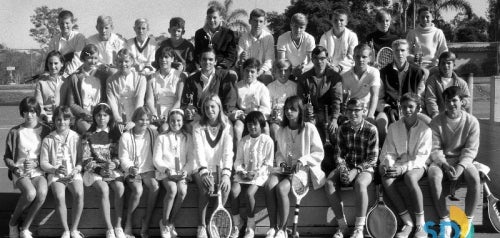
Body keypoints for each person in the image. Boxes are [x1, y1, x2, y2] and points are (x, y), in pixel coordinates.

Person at [265, 96, 325, 238]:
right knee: (269, 185)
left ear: (300, 111)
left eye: (293, 109)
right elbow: (279, 153)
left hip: (302, 171)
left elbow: (319, 153)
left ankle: (283, 229)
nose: (289, 112)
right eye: (286, 109)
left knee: (280, 188)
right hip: (285, 170)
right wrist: (281, 163)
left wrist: (302, 160)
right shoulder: (281, 130)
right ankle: (273, 227)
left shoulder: (309, 128)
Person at [427, 86, 481, 238]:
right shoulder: (436, 122)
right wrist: (444, 165)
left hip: (463, 160)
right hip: (442, 160)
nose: (451, 104)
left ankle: (467, 222)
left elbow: (470, 150)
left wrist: (460, 167)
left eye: (455, 100)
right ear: (443, 102)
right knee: (433, 176)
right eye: (448, 101)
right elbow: (435, 148)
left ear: (462, 102)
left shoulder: (472, 122)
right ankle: (445, 222)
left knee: (475, 178)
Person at [324, 98, 378, 238]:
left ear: (363, 112)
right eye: (350, 110)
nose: (353, 114)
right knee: (329, 183)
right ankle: (342, 226)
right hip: (347, 165)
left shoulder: (371, 129)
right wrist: (343, 169)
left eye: (357, 110)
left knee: (360, 184)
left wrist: (356, 170)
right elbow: (339, 154)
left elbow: (372, 159)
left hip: (365, 168)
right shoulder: (343, 128)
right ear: (346, 112)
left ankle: (359, 228)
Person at [379, 93, 431, 238]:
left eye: (411, 107)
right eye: (404, 107)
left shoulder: (425, 129)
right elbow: (388, 152)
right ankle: (408, 223)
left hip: (418, 165)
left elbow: (422, 157)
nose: (407, 110)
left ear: (418, 108)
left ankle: (421, 225)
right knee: (386, 179)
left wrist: (403, 168)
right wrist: (387, 164)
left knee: (410, 177)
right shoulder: (394, 127)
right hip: (399, 164)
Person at [4, 97, 50, 238]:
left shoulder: (46, 130)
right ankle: (13, 223)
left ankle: (25, 228)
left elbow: (51, 154)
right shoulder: (14, 132)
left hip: (38, 171)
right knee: (30, 194)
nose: (29, 115)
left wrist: (36, 163)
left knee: (41, 193)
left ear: (37, 112)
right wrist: (15, 168)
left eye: (32, 111)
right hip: (20, 171)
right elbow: (7, 157)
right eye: (25, 112)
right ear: (22, 113)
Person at [192, 94, 234, 238]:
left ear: (219, 107)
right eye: (207, 107)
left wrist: (226, 175)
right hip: (200, 167)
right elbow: (198, 152)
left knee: (225, 188)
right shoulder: (198, 127)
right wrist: (204, 173)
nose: (210, 110)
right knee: (205, 189)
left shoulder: (227, 126)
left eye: (213, 106)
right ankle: (202, 226)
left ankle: (213, 222)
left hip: (220, 168)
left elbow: (228, 152)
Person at [81, 103, 125, 238]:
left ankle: (118, 226)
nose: (101, 118)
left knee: (120, 188)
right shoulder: (88, 135)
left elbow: (120, 155)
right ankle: (109, 228)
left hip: (111, 169)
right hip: (95, 171)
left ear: (110, 117)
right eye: (98, 115)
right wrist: (99, 169)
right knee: (104, 189)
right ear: (94, 117)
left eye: (105, 115)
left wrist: (114, 164)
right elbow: (85, 159)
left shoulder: (115, 134)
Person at [40, 106, 84, 238]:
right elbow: (43, 162)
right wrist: (55, 169)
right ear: (54, 121)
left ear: (71, 120)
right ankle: (65, 230)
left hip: (73, 173)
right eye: (58, 119)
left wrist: (77, 169)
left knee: (79, 194)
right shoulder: (48, 139)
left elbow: (81, 159)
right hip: (56, 174)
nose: (62, 122)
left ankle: (74, 229)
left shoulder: (76, 137)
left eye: (65, 119)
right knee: (60, 197)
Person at [230, 111, 274, 238]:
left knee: (249, 193)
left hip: (260, 174)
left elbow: (268, 163)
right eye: (249, 125)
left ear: (261, 125)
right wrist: (241, 171)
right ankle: (237, 223)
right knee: (234, 191)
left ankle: (250, 224)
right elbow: (238, 160)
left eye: (255, 124)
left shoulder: (268, 141)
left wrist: (256, 173)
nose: (252, 127)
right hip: (243, 173)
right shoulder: (244, 141)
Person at [119, 107, 159, 238]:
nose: (145, 122)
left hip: (148, 170)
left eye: (147, 119)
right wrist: (130, 168)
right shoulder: (125, 136)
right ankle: (128, 223)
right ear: (135, 120)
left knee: (155, 187)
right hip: (132, 171)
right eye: (141, 119)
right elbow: (123, 158)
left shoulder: (153, 133)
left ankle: (146, 222)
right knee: (138, 190)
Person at [153, 109, 195, 238]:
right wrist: (166, 169)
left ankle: (171, 222)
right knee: (172, 189)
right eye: (172, 121)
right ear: (168, 121)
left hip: (181, 173)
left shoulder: (188, 138)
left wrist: (185, 171)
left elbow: (191, 159)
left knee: (182, 191)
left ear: (182, 122)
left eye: (178, 121)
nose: (175, 123)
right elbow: (156, 159)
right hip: (166, 172)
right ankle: (164, 223)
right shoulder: (161, 137)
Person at [378, 39, 429, 141]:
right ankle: (383, 152)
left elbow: (420, 97)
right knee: (380, 123)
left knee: (429, 122)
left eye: (402, 50)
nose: (399, 53)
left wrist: (411, 110)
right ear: (392, 53)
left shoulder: (418, 72)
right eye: (396, 50)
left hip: (413, 110)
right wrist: (388, 109)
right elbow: (379, 98)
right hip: (390, 110)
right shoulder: (383, 73)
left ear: (408, 52)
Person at [297, 45, 342, 142]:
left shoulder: (335, 77)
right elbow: (300, 100)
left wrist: (334, 119)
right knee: (308, 130)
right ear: (312, 60)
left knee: (334, 132)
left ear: (327, 59)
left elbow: (336, 100)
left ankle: (335, 156)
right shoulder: (303, 78)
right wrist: (306, 109)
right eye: (316, 58)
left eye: (322, 58)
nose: (319, 62)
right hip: (312, 115)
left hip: (329, 114)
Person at [181, 47, 238, 121]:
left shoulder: (225, 76)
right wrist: (191, 111)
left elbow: (230, 100)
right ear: (200, 61)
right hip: (198, 117)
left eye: (210, 59)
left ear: (215, 61)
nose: (207, 62)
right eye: (204, 59)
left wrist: (221, 116)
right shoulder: (191, 79)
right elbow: (186, 102)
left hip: (220, 116)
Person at [67, 44, 113, 134]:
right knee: (90, 131)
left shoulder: (103, 75)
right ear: (83, 59)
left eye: (96, 58)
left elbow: (114, 73)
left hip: (101, 115)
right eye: (90, 58)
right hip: (83, 117)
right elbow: (71, 104)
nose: (93, 61)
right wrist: (84, 114)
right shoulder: (75, 78)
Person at [341, 44, 381, 137]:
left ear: (370, 58)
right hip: (352, 111)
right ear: (353, 57)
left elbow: (375, 95)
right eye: (357, 56)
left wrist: (370, 115)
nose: (360, 59)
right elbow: (344, 98)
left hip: (368, 111)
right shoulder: (345, 75)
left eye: (364, 57)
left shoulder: (374, 72)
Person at [107, 48, 147, 131]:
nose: (123, 64)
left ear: (132, 61)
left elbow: (140, 99)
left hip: (136, 114)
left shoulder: (141, 78)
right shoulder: (110, 80)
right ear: (116, 62)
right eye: (120, 61)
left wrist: (134, 120)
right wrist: (118, 119)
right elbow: (112, 101)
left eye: (126, 61)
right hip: (118, 115)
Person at [233, 58, 271, 144]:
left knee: (265, 128)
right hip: (243, 116)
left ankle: (267, 153)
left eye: (252, 72)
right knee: (237, 128)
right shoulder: (237, 87)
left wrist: (257, 117)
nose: (249, 74)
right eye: (247, 71)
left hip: (257, 115)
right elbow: (233, 106)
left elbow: (266, 108)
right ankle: (238, 155)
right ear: (243, 71)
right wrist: (239, 114)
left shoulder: (262, 87)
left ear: (257, 73)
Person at [424, 51, 471, 119]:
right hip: (439, 117)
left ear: (454, 65)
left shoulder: (461, 83)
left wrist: (463, 102)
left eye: (449, 63)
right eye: (443, 63)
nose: (446, 66)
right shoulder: (432, 81)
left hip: (458, 118)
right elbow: (430, 99)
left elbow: (467, 99)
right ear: (439, 65)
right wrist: (435, 115)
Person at [237, 8, 275, 85]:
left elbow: (269, 61)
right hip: (247, 70)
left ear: (264, 23)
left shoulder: (269, 37)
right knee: (238, 75)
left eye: (261, 21)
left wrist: (258, 73)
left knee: (268, 77)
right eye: (255, 21)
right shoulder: (243, 37)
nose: (258, 24)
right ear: (250, 21)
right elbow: (239, 60)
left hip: (262, 70)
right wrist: (240, 59)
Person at [145, 47, 184, 121]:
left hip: (174, 112)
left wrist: (169, 115)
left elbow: (178, 101)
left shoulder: (180, 76)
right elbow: (149, 100)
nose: (163, 60)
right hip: (155, 112)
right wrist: (154, 114)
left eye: (166, 57)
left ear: (172, 59)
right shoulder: (151, 77)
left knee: (164, 128)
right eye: (161, 57)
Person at [194, 5, 237, 69]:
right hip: (204, 67)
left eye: (214, 17)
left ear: (220, 18)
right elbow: (197, 54)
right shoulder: (199, 33)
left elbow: (231, 56)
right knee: (191, 77)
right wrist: (202, 66)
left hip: (222, 68)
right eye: (209, 17)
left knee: (233, 76)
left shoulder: (229, 34)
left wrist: (222, 66)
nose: (212, 20)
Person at [319, 8, 358, 73]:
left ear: (346, 22)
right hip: (328, 69)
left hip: (347, 70)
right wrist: (329, 66)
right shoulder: (325, 37)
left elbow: (352, 56)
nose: (338, 22)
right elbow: (321, 56)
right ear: (331, 21)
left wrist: (338, 68)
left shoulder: (352, 36)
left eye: (341, 20)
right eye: (335, 20)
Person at [48, 10, 86, 77]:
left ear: (72, 23)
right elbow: (51, 60)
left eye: (67, 23)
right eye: (62, 23)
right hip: (59, 73)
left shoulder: (79, 37)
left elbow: (78, 60)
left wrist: (65, 74)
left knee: (74, 78)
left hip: (78, 72)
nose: (64, 26)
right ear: (59, 23)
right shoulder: (53, 41)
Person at [277, 13, 315, 77]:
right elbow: (281, 60)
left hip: (304, 70)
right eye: (295, 26)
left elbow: (311, 61)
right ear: (291, 25)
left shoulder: (310, 38)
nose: (298, 30)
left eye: (301, 27)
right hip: (287, 71)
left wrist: (305, 68)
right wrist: (291, 71)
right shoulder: (282, 38)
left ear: (305, 27)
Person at [267, 59, 297, 140]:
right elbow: (268, 105)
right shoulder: (270, 87)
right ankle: (277, 151)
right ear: (275, 72)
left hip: (291, 117)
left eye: (286, 70)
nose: (283, 73)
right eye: (280, 71)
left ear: (290, 72)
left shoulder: (294, 86)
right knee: (274, 129)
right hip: (277, 119)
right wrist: (272, 114)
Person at [35, 50, 66, 125]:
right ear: (47, 65)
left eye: (56, 63)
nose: (53, 66)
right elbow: (39, 105)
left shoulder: (67, 81)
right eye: (50, 63)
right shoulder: (41, 83)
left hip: (64, 119)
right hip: (46, 119)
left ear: (62, 64)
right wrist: (45, 117)